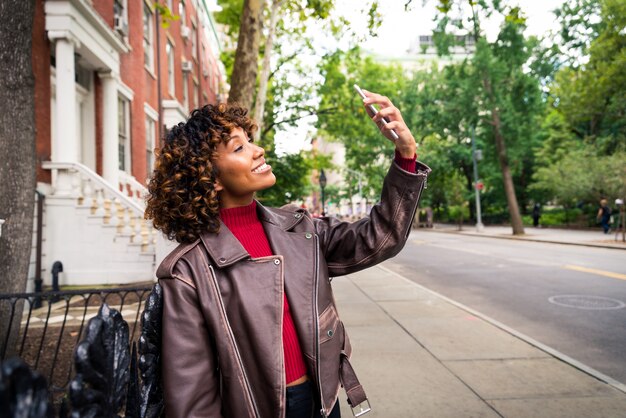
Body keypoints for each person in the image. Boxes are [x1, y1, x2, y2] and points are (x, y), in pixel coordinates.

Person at [145, 92, 430, 418]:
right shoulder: (187, 272)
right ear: (209, 179)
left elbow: (381, 237)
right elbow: (193, 398)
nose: (257, 150)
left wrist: (406, 155)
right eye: (239, 148)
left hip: (324, 402)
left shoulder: (301, 229)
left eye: (249, 140)